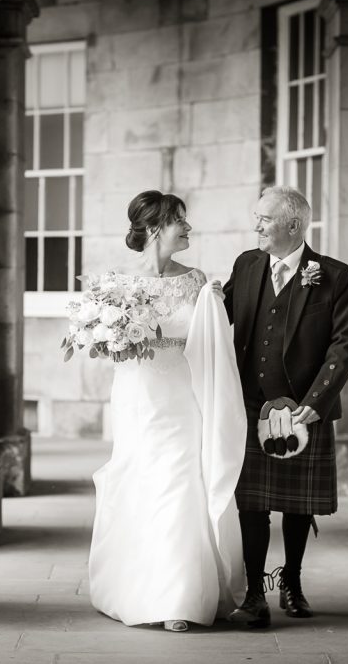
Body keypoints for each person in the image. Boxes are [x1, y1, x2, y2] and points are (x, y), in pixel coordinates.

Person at [88, 191, 246, 632]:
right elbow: (103, 344)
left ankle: (177, 598)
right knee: (139, 481)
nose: (189, 229)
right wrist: (108, 337)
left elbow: (208, 338)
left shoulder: (195, 281)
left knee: (178, 483)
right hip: (137, 397)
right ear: (156, 228)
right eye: (181, 221)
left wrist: (213, 303)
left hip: (181, 396)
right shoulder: (117, 283)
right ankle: (137, 587)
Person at [223, 186, 348, 628]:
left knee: (297, 506)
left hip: (304, 408)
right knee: (251, 504)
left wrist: (316, 403)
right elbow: (215, 315)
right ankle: (253, 594)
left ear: (294, 226)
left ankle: (293, 584)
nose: (256, 226)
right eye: (256, 218)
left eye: (264, 219)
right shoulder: (246, 265)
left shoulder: (334, 275)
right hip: (249, 404)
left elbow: (343, 344)